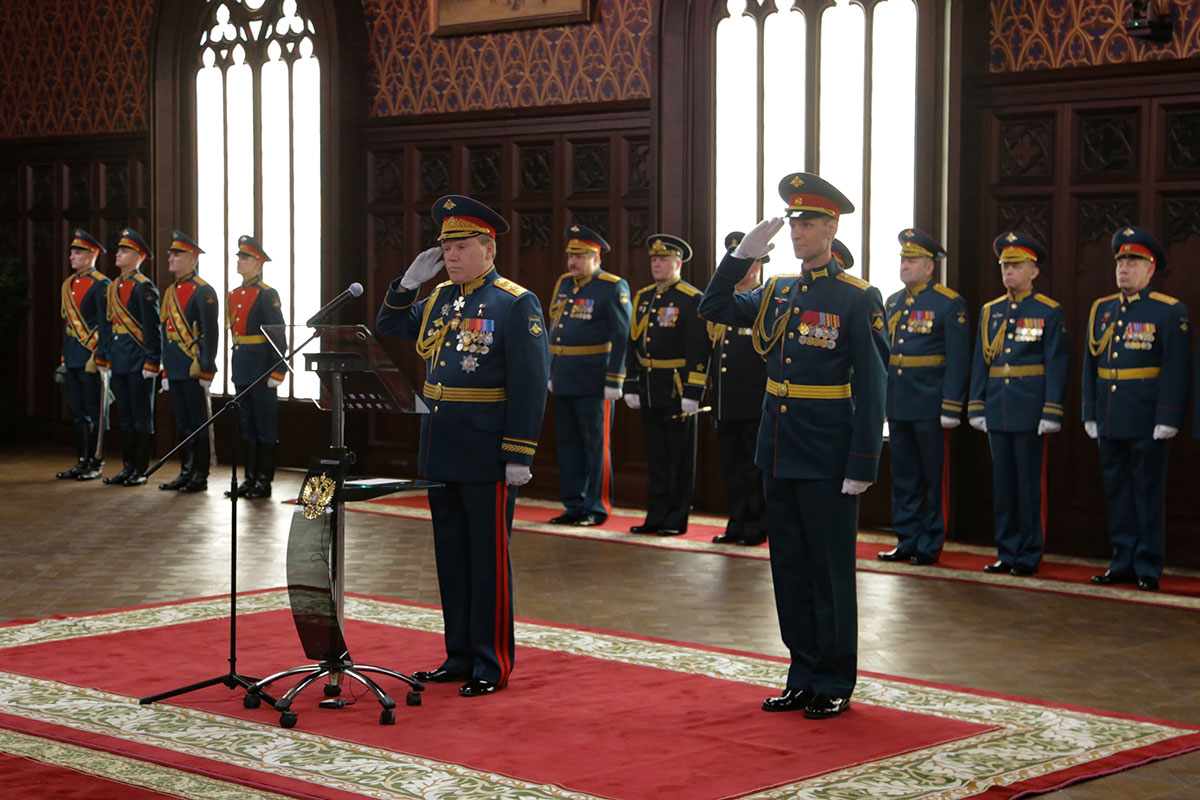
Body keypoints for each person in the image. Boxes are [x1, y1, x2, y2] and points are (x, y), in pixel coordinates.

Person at [700, 172, 888, 720]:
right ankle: (802, 673)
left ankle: (834, 679)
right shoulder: (779, 290)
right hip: (778, 447)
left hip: (830, 453)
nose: (799, 231)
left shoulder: (858, 297)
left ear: (831, 227)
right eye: (794, 222)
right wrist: (743, 257)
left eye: (808, 222)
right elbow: (712, 307)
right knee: (789, 569)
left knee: (829, 570)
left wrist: (863, 461)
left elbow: (874, 385)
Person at [376, 194, 550, 697]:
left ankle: (491, 663)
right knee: (451, 555)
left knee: (488, 559)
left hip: (487, 450)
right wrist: (408, 283)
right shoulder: (437, 300)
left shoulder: (516, 303)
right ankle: (458, 655)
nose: (450, 256)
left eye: (461, 246)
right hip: (442, 444)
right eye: (446, 248)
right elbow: (389, 327)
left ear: (488, 249)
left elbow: (531, 383)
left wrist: (518, 454)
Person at [1084, 227, 1191, 592]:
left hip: (1146, 417)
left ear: (1151, 268)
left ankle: (1147, 564)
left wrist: (1168, 417)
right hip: (1111, 415)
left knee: (1146, 493)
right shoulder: (1102, 309)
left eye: (1133, 262)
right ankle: (1121, 561)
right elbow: (1091, 365)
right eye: (1120, 261)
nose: (1124, 269)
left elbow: (1177, 368)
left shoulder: (1168, 311)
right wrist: (1090, 412)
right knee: (1116, 492)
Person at [967, 232, 1068, 577]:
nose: (1009, 271)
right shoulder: (991, 311)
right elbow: (981, 361)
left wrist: (1052, 409)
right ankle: (1006, 551)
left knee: (1028, 487)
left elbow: (1056, 363)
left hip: (1030, 408)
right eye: (1005, 265)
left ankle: (1029, 553)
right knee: (1004, 487)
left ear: (1034, 271)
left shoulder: (1048, 311)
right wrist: (976, 404)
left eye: (1017, 265)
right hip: (999, 407)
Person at [877, 229, 969, 565]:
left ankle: (929, 544)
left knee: (933, 478)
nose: (905, 265)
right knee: (903, 477)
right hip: (900, 403)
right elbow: (887, 356)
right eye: (903, 259)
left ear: (930, 267)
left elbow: (958, 359)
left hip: (931, 405)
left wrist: (951, 404)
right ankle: (906, 539)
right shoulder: (893, 302)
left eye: (912, 260)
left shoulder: (948, 303)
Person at [623, 233, 711, 536]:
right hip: (649, 385)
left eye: (663, 259)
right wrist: (631, 383)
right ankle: (656, 515)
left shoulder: (691, 298)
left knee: (679, 458)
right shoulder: (644, 297)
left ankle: (675, 519)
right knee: (657, 457)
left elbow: (699, 349)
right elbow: (633, 343)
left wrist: (693, 391)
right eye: (654, 259)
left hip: (676, 387)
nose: (657, 264)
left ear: (678, 262)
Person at [546, 224, 632, 527]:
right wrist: (550, 370)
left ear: (596, 257)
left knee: (596, 447)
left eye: (580, 257)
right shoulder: (564, 284)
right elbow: (553, 328)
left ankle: (597, 506)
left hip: (595, 380)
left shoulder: (612, 286)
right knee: (568, 446)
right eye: (571, 256)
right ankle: (574, 503)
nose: (573, 263)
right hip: (565, 376)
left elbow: (622, 335)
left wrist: (615, 379)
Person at [707, 231, 767, 546]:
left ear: (757, 266)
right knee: (731, 469)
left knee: (754, 469)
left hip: (755, 402)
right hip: (726, 401)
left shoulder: (765, 302)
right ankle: (736, 522)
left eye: (747, 262)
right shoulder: (725, 306)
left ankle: (756, 526)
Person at [95, 228, 161, 487]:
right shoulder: (113, 287)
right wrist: (107, 357)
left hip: (139, 360)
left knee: (140, 416)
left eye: (124, 251)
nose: (118, 254)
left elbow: (152, 328)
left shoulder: (144, 287)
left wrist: (152, 361)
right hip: (120, 360)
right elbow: (109, 326)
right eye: (118, 250)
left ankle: (140, 470)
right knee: (125, 417)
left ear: (138, 256)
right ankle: (127, 467)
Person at [226, 235, 286, 500]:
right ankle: (249, 478)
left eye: (245, 257)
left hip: (262, 369)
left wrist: (277, 370)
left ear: (259, 263)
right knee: (247, 426)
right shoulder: (234, 294)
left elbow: (278, 335)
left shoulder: (267, 294)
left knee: (264, 427)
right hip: (242, 367)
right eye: (239, 256)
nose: (239, 261)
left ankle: (264, 480)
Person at [159, 231, 220, 493]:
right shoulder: (171, 291)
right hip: (174, 365)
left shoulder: (203, 291)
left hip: (194, 367)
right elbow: (165, 332)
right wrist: (164, 367)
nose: (170, 258)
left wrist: (207, 366)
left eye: (177, 254)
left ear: (192, 258)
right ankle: (185, 470)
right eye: (170, 253)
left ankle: (199, 474)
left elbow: (211, 332)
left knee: (198, 421)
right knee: (183, 422)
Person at [56, 229, 111, 481]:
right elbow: (67, 326)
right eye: (71, 252)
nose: (71, 256)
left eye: (77, 252)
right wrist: (64, 357)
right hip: (74, 356)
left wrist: (101, 356)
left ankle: (95, 461)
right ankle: (82, 460)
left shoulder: (102, 284)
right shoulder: (68, 285)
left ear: (92, 254)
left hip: (91, 358)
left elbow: (105, 324)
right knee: (78, 411)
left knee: (94, 409)